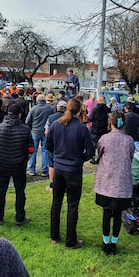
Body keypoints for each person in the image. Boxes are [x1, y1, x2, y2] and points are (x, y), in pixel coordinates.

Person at [45, 98, 94, 249]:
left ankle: (55, 236)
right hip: (72, 170)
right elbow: (90, 152)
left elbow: (48, 145)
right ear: (79, 110)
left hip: (60, 169)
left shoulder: (57, 124)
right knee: (72, 205)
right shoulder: (80, 128)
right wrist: (79, 159)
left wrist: (59, 157)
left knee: (56, 203)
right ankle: (69, 241)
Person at [93, 111, 134, 255]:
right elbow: (131, 156)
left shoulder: (104, 138)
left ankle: (106, 242)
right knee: (117, 214)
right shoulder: (129, 140)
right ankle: (113, 243)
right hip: (121, 183)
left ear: (110, 122)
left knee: (106, 212)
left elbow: (99, 154)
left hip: (107, 181)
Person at [0, 105, 34, 226]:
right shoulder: (25, 129)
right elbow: (31, 149)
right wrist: (24, 161)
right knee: (20, 192)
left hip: (2, 164)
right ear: (19, 115)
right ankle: (20, 217)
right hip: (19, 165)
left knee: (1, 191)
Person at [24, 94, 53, 176]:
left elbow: (27, 121)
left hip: (35, 131)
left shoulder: (33, 108)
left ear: (37, 100)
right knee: (45, 150)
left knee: (33, 150)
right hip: (46, 131)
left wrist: (31, 128)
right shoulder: (50, 108)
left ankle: (32, 170)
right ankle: (44, 170)